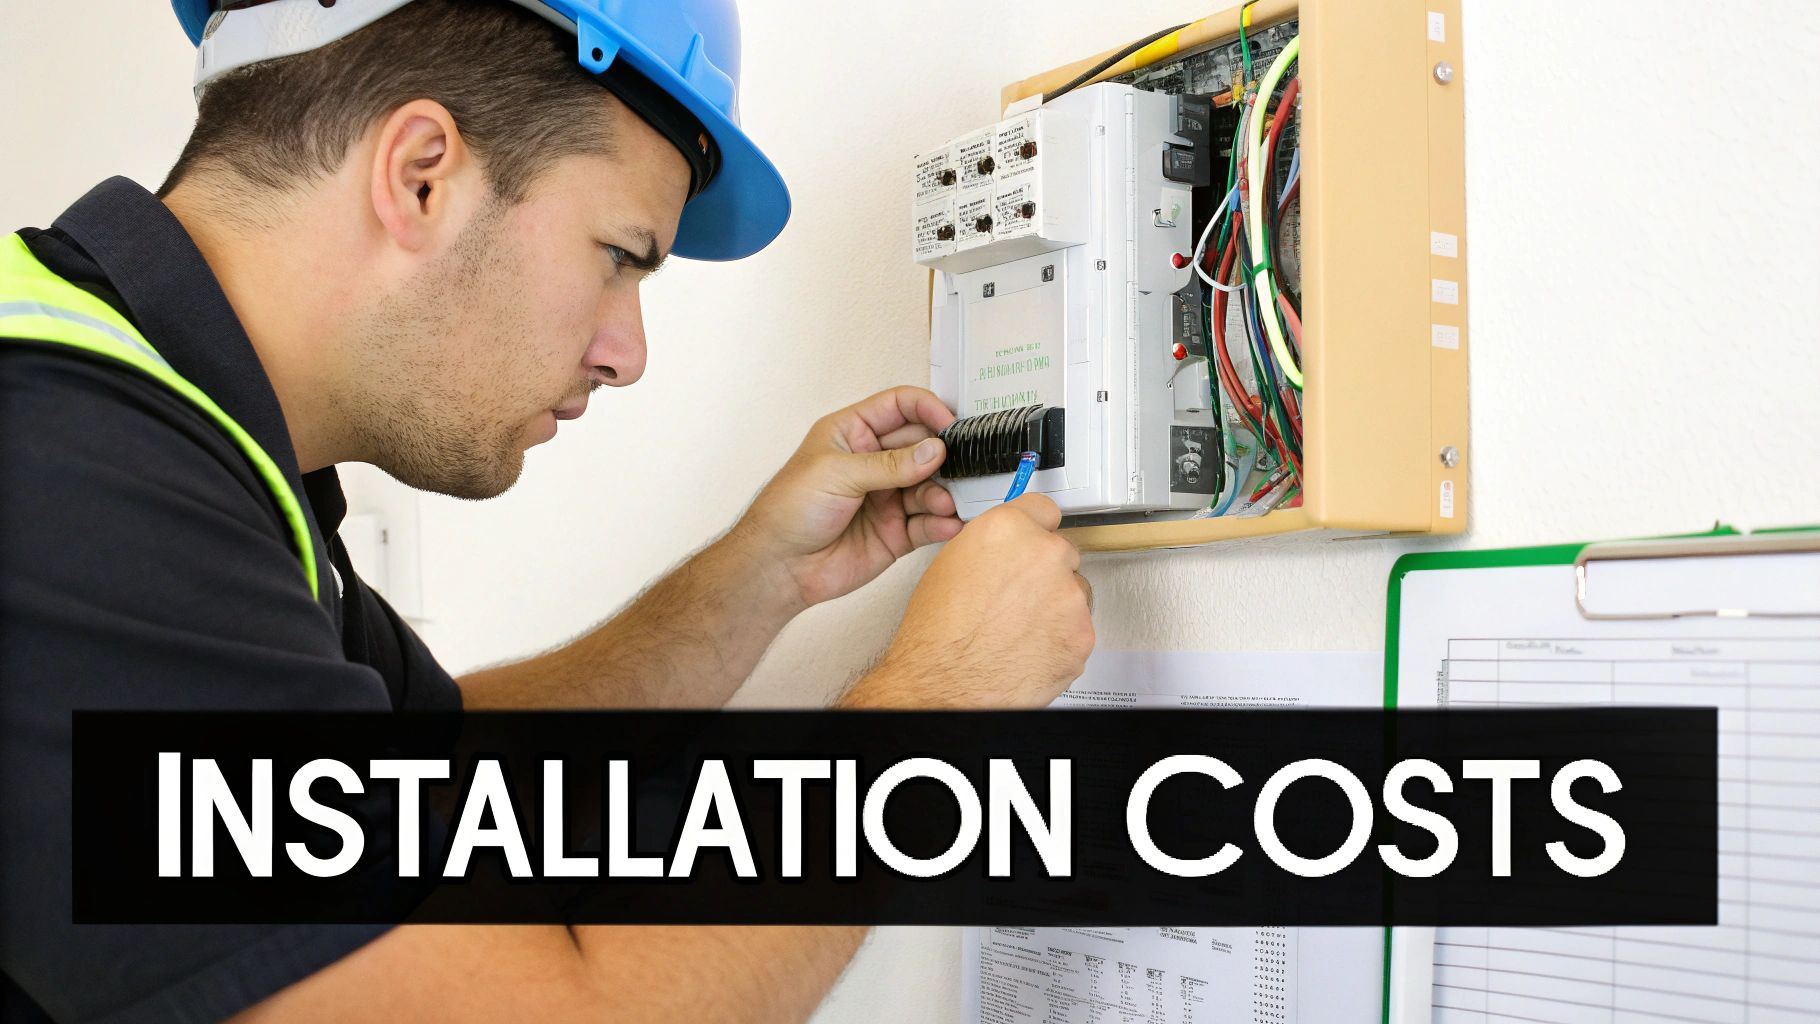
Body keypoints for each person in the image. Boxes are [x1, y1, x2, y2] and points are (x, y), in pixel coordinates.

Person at [0, 1, 1095, 1020]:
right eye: (619, 256)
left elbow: (442, 775)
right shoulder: (62, 468)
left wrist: (765, 575)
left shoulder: (165, 432)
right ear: (421, 176)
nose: (627, 353)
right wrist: (938, 709)